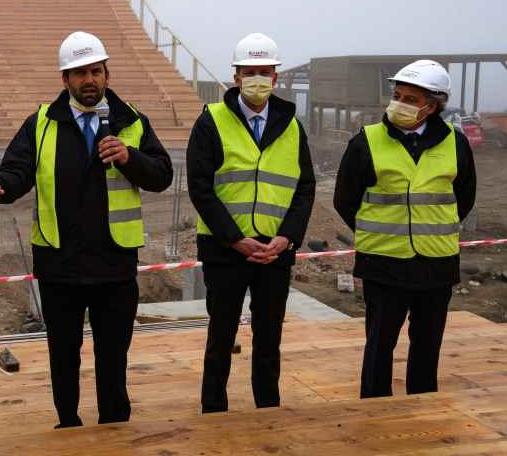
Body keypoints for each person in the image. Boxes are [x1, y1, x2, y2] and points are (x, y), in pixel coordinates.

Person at [0, 31, 173, 428]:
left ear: (107, 74)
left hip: (114, 266)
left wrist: (130, 157)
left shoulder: (131, 121)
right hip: (59, 266)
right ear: (64, 79)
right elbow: (15, 174)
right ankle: (68, 426)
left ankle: (114, 428)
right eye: (79, 73)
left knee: (113, 357)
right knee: (63, 357)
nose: (89, 81)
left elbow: (161, 174)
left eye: (95, 71)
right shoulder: (41, 124)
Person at [186, 32, 315, 413]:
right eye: (250, 72)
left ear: (275, 78)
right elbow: (201, 188)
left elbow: (304, 188)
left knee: (269, 337)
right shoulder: (211, 121)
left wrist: (287, 238)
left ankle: (268, 407)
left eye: (265, 72)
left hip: (275, 251)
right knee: (221, 334)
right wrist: (235, 239)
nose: (258, 79)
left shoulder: (292, 126)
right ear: (236, 75)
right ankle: (214, 408)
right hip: (226, 249)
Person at [333, 59, 476, 398]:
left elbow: (463, 198)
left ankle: (422, 410)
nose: (399, 104)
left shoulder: (455, 143)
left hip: (436, 266)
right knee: (379, 347)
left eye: (410, 99)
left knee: (427, 349)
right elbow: (345, 200)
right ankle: (374, 411)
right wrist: (381, 231)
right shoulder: (365, 142)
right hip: (384, 265)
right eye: (397, 95)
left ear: (433, 105)